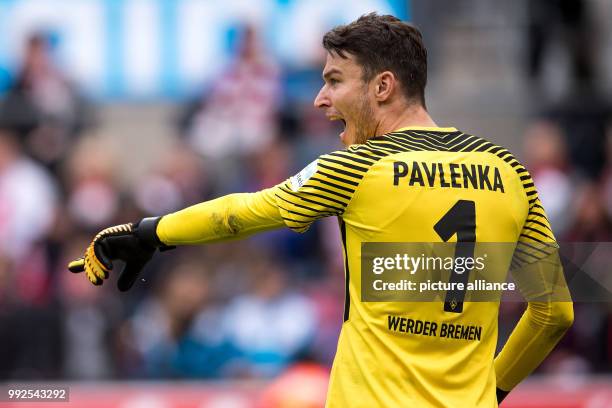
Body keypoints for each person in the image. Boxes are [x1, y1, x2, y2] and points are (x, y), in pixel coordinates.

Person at [68, 13, 573, 407]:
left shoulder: (357, 166)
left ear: (383, 87)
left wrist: (152, 232)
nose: (318, 99)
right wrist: (492, 392)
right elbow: (554, 313)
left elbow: (242, 213)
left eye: (334, 81)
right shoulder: (509, 168)